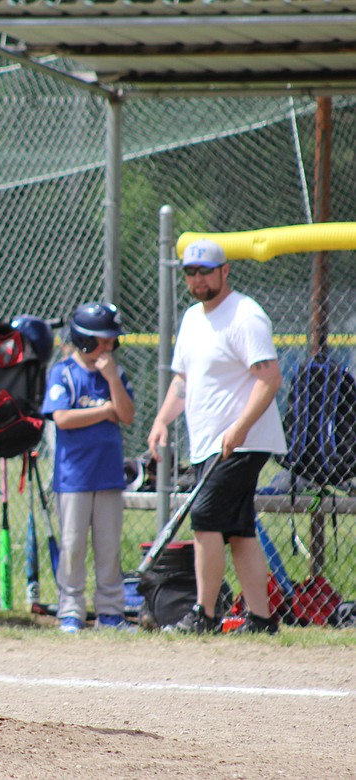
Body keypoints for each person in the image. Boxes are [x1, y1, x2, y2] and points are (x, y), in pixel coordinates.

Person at [147, 238, 286, 635]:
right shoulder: (193, 317)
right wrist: (162, 420)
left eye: (206, 271)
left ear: (225, 271)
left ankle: (204, 615)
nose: (198, 279)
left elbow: (269, 377)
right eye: (191, 272)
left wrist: (239, 428)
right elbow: (184, 380)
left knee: (205, 516)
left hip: (243, 442)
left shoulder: (245, 315)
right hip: (210, 443)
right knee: (239, 530)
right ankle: (261, 619)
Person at [41, 303, 136, 633]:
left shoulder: (116, 375)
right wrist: (105, 410)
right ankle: (71, 609)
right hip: (73, 478)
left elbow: (126, 415)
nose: (109, 347)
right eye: (102, 341)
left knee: (109, 547)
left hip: (108, 475)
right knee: (73, 546)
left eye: (112, 342)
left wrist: (111, 381)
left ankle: (110, 612)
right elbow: (63, 418)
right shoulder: (64, 373)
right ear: (83, 340)